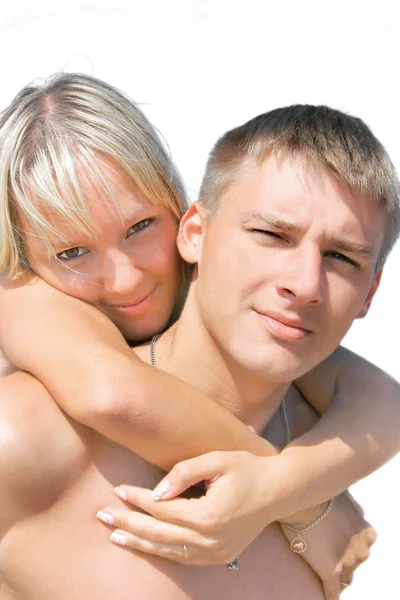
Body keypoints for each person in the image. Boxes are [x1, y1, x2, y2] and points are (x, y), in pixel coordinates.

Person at [0, 75, 397, 597]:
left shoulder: (315, 414)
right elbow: (108, 392)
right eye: (71, 253)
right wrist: (301, 500)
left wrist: (285, 488)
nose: (125, 281)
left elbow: (385, 402)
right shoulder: (26, 388)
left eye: (141, 226)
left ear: (184, 222)